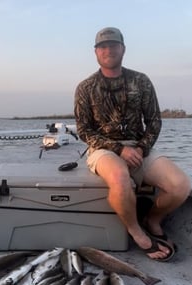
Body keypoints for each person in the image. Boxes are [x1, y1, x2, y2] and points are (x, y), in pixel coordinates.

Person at [74, 27, 191, 261]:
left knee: (181, 186)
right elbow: (84, 131)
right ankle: (137, 232)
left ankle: (153, 219)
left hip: (139, 148)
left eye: (113, 45)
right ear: (96, 52)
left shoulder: (141, 81)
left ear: (123, 49)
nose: (108, 50)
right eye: (103, 46)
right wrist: (119, 149)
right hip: (104, 150)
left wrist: (140, 148)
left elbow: (154, 122)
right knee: (119, 179)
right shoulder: (85, 88)